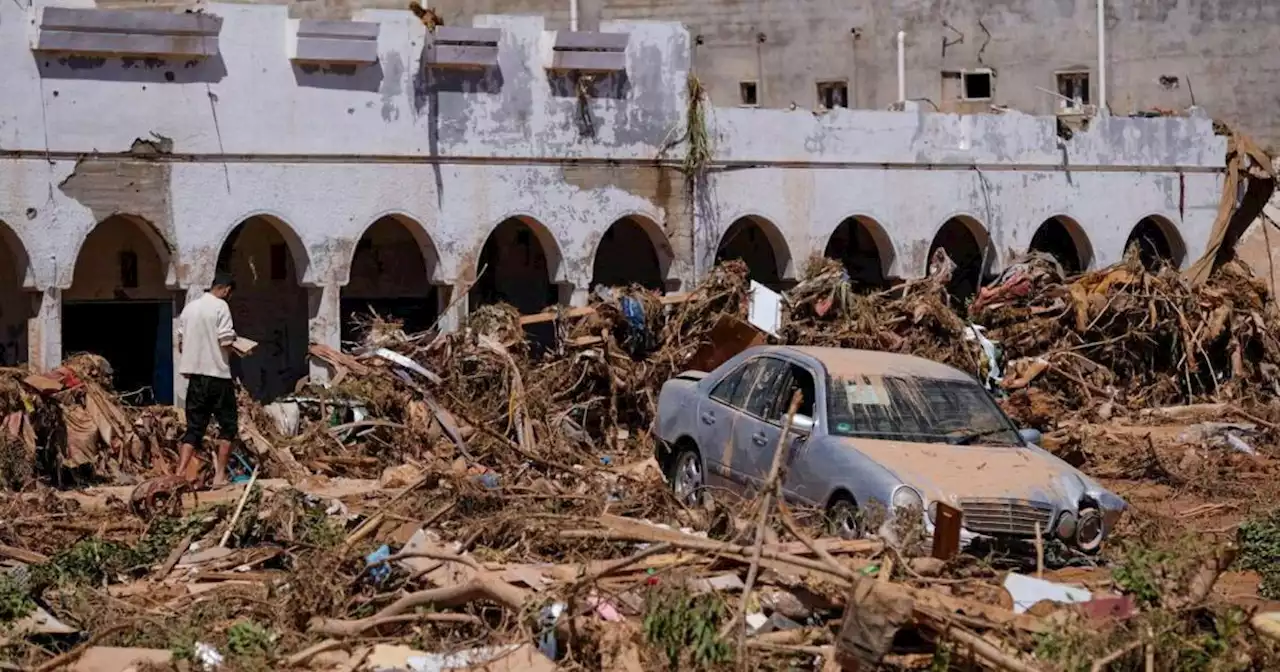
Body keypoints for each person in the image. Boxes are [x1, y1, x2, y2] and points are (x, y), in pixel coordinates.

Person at [175, 272, 239, 487]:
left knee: (193, 429)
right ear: (226, 290)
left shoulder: (190, 308)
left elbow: (181, 342)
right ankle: (220, 476)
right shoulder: (221, 307)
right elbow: (225, 339)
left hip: (195, 378)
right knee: (228, 427)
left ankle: (179, 474)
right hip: (218, 376)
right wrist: (238, 348)